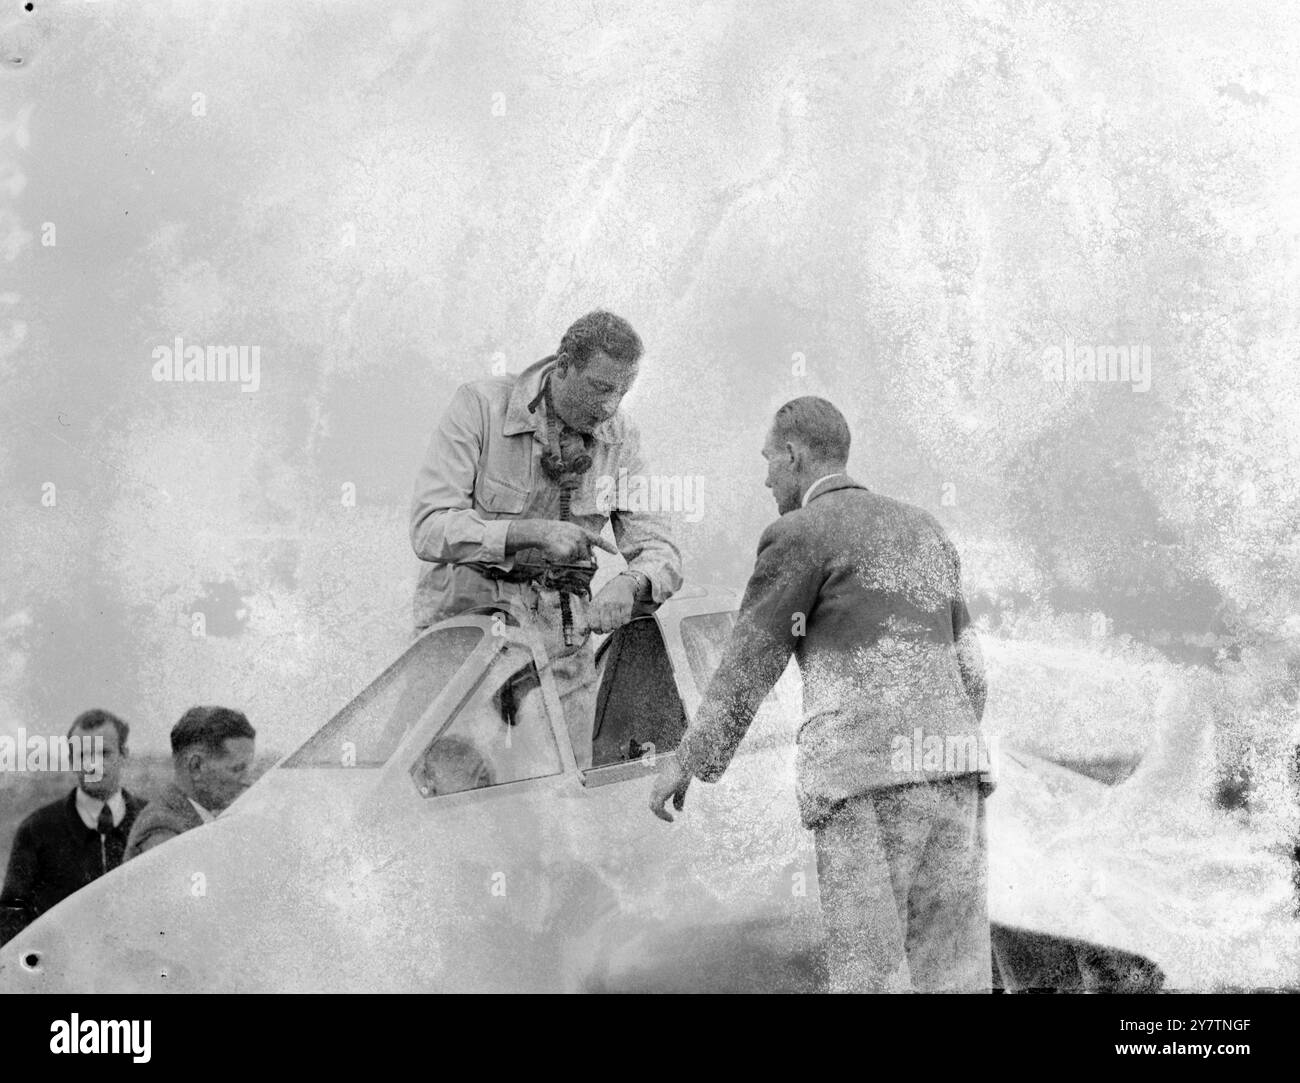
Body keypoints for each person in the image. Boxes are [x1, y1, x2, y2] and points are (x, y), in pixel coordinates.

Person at [650, 396, 992, 992]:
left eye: (767, 460)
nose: (765, 477)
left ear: (793, 453)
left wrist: (689, 760)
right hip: (955, 772)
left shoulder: (798, 533)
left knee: (870, 978)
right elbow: (972, 672)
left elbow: (748, 663)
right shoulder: (925, 527)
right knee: (956, 977)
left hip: (865, 781)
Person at [410, 310, 683, 767]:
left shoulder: (622, 439)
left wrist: (630, 583)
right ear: (562, 367)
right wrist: (527, 534)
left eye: (623, 390)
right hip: (468, 640)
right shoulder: (479, 406)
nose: (611, 405)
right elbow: (429, 528)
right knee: (448, 783)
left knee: (565, 795)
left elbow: (661, 549)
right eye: (600, 387)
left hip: (561, 645)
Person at [0, 709, 147, 944]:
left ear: (124, 754)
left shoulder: (150, 822)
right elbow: (11, 915)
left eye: (104, 753)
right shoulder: (37, 830)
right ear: (71, 761)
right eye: (83, 755)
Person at [124, 706, 256, 859]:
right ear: (196, 767)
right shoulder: (162, 828)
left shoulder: (191, 818)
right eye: (237, 769)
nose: (248, 781)